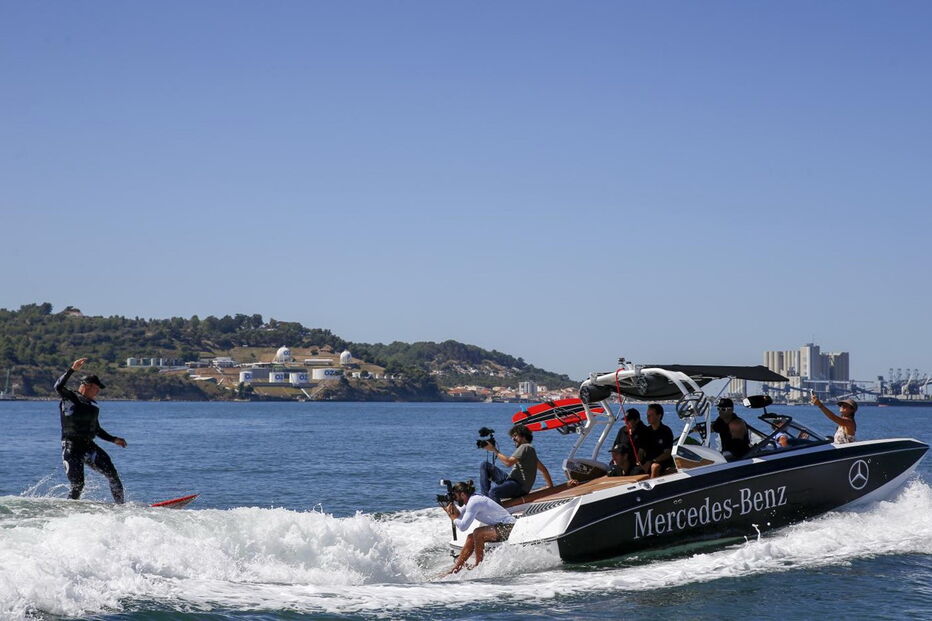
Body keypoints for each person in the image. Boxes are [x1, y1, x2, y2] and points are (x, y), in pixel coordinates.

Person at [55, 357, 127, 503]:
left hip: (88, 446)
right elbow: (58, 386)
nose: (98, 391)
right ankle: (69, 510)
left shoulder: (91, 406)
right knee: (78, 485)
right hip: (71, 447)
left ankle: (121, 507)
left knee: (112, 474)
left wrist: (114, 439)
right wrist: (72, 370)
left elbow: (96, 429)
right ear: (86, 385)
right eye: (96, 387)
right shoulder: (70, 398)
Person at [442, 480, 516, 574]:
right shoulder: (471, 500)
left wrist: (452, 517)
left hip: (509, 527)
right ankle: (456, 568)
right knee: (470, 538)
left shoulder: (474, 502)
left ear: (463, 494)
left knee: (478, 533)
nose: (455, 499)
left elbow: (463, 527)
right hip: (499, 526)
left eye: (455, 496)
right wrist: (450, 508)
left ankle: (479, 566)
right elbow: (459, 514)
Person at [480, 424, 553, 504]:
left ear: (523, 436)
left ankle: (491, 507)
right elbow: (544, 470)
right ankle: (485, 499)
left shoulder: (525, 447)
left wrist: (494, 450)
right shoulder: (530, 451)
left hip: (517, 486)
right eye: (512, 436)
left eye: (515, 436)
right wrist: (550, 486)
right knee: (485, 465)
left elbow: (508, 463)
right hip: (512, 482)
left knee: (493, 492)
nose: (513, 439)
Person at [608, 408, 651, 476]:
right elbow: (614, 447)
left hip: (635, 463)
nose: (626, 422)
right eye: (625, 420)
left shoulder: (645, 431)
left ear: (637, 420)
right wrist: (615, 459)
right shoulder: (622, 430)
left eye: (628, 420)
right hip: (620, 461)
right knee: (610, 470)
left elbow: (643, 451)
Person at [642, 403, 676, 478]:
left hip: (662, 461)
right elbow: (642, 450)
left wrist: (652, 461)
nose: (648, 417)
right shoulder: (646, 431)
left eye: (651, 415)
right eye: (647, 415)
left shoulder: (666, 431)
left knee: (655, 467)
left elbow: (667, 453)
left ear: (659, 416)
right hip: (647, 461)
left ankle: (652, 485)